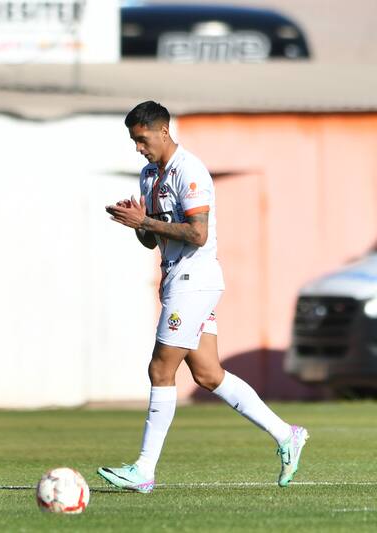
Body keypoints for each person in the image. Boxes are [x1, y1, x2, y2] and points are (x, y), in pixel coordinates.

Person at [98, 101, 308, 493]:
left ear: (163, 132)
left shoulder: (190, 171)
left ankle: (144, 469)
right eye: (133, 141)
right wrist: (137, 222)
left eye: (142, 139)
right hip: (178, 279)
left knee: (161, 370)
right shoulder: (149, 175)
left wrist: (145, 221)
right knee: (208, 374)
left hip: (195, 279)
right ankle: (286, 434)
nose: (138, 148)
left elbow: (198, 234)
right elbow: (152, 239)